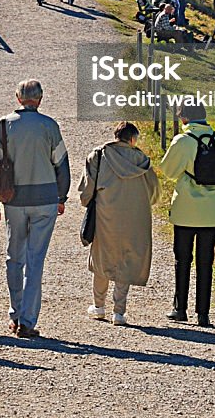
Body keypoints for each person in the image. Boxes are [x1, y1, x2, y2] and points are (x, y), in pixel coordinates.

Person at [0, 79, 70, 338]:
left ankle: (15, 313)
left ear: (18, 98)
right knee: (35, 261)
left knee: (14, 258)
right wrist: (61, 196)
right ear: (40, 99)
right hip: (45, 200)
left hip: (14, 201)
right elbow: (62, 165)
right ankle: (28, 321)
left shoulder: (4, 125)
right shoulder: (50, 126)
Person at [159, 104, 215, 327]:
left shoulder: (182, 141)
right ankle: (203, 314)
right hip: (214, 212)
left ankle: (180, 309)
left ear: (184, 118)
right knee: (206, 261)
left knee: (182, 259)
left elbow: (168, 171)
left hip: (185, 209)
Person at [79, 122, 160, 325]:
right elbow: (154, 193)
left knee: (102, 259)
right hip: (135, 217)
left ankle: (98, 306)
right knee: (126, 260)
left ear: (116, 136)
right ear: (132, 139)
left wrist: (87, 201)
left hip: (105, 215)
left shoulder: (99, 155)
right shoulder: (142, 160)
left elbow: (86, 190)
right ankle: (119, 312)